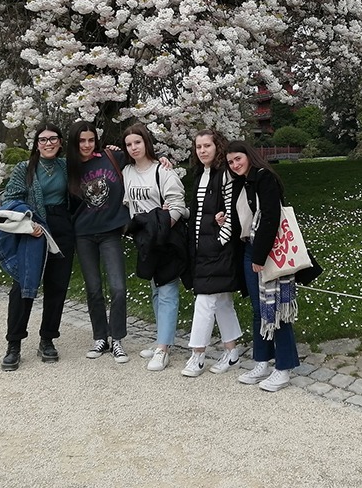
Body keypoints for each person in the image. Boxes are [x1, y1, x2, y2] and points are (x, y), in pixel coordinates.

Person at [0, 124, 75, 371]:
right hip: (34, 228)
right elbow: (12, 199)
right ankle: (13, 344)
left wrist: (113, 151)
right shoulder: (24, 169)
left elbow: (93, 161)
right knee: (23, 286)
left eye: (53, 139)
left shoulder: (66, 166)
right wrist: (29, 223)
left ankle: (47, 339)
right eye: (43, 139)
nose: (48, 143)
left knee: (57, 286)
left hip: (62, 227)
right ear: (37, 144)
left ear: (60, 142)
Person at [226, 140, 299, 392]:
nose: (235, 164)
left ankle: (284, 367)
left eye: (238, 158)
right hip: (250, 249)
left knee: (276, 309)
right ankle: (262, 361)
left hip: (268, 250)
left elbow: (271, 217)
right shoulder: (240, 183)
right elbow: (245, 217)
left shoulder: (263, 177)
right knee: (259, 309)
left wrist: (260, 256)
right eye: (231, 162)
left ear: (249, 155)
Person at [120, 122, 188, 371]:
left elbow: (178, 205)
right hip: (144, 240)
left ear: (146, 142)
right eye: (129, 144)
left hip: (165, 239)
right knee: (156, 290)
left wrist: (161, 227)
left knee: (167, 290)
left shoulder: (163, 171)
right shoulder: (127, 172)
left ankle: (163, 350)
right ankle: (163, 338)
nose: (133, 147)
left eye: (137, 142)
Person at [68, 120, 132, 364]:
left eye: (91, 140)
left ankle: (117, 338)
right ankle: (100, 336)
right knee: (93, 288)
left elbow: (141, 158)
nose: (86, 145)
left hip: (110, 232)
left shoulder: (111, 157)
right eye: (82, 141)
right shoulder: (69, 167)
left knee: (118, 287)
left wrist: (165, 161)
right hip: (83, 234)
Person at [181, 129, 242, 378]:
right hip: (201, 247)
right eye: (198, 147)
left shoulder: (225, 174)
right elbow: (198, 212)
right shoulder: (200, 175)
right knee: (222, 300)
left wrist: (220, 240)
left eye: (207, 145)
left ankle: (197, 354)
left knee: (205, 300)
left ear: (217, 147)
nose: (202, 150)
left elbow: (232, 211)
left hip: (218, 248)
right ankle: (232, 351)